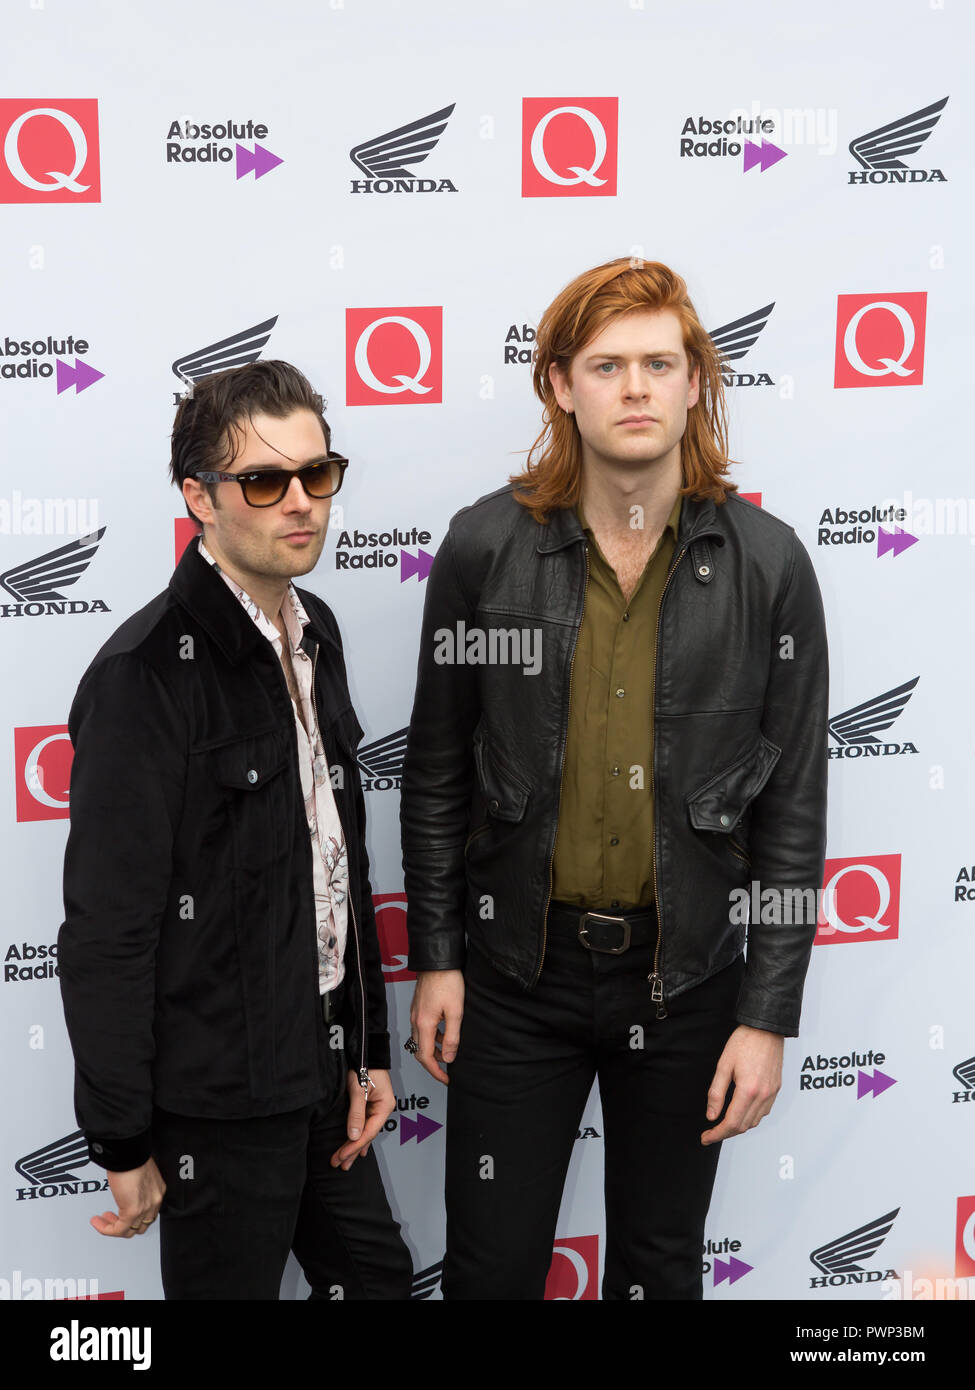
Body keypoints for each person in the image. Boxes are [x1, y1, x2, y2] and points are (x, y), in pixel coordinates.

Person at [400, 258, 828, 1300]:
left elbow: (793, 810)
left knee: (655, 1269)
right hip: (513, 981)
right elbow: (438, 771)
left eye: (657, 363)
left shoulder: (769, 568)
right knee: (491, 1272)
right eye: (606, 365)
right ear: (559, 385)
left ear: (695, 385)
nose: (634, 388)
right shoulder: (483, 552)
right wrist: (441, 958)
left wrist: (767, 1013)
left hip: (685, 986)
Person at [59, 361, 412, 1300]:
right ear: (199, 498)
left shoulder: (317, 631)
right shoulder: (144, 676)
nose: (300, 503)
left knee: (377, 1280)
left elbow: (340, 857)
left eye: (316, 474)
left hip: (322, 1065)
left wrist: (368, 1048)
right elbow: (108, 930)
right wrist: (123, 1138)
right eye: (265, 481)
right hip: (216, 1100)